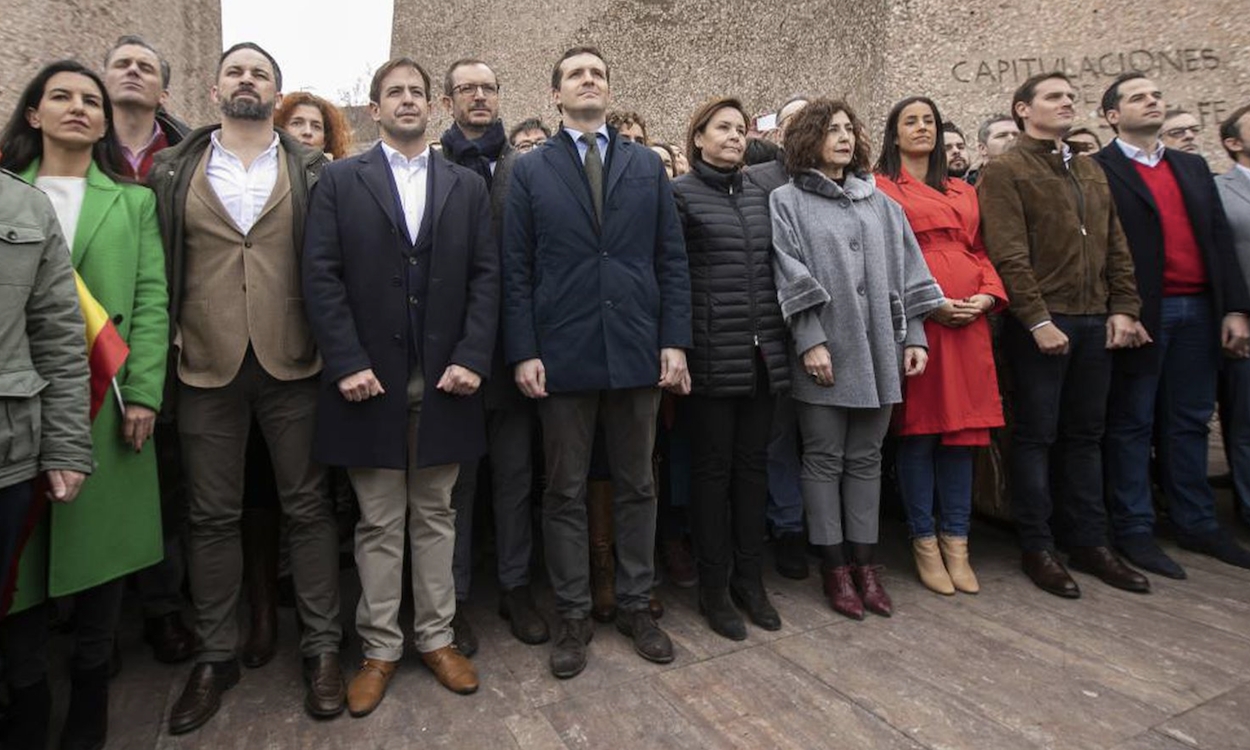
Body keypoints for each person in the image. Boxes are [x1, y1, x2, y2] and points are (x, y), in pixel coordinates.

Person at [146, 42, 344, 732]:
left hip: (295, 361)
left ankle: (321, 649)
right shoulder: (175, 171)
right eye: (236, 71)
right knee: (210, 517)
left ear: (276, 91)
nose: (247, 81)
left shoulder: (313, 169)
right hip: (204, 364)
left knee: (309, 508)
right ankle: (214, 655)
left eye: (260, 73)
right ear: (213, 88)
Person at [303, 56, 498, 716]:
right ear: (375, 106)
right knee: (380, 521)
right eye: (395, 92)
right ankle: (381, 649)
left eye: (417, 91)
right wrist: (347, 360)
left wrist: (473, 355)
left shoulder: (465, 185)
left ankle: (438, 639)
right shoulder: (339, 180)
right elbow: (321, 276)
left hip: (446, 379)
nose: (408, 100)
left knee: (437, 515)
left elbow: (486, 277)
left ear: (434, 105)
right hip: (369, 382)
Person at [502, 45, 691, 678]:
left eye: (599, 73)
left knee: (638, 482)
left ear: (609, 90)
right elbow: (517, 269)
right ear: (556, 94)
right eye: (577, 74)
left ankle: (637, 604)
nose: (590, 81)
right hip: (561, 353)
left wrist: (674, 339)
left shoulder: (643, 165)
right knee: (563, 489)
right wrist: (524, 349)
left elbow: (670, 259)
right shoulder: (529, 171)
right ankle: (573, 614)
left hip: (638, 348)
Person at [0, 59, 168, 749]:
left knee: (102, 555)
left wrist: (147, 393)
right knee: (21, 562)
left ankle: (92, 685)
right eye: (59, 96)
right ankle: (29, 691)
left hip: (109, 396)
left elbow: (152, 301)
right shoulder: (10, 196)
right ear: (31, 114)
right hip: (17, 401)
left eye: (90, 100)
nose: (78, 108)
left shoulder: (133, 201)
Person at [770, 98, 945, 620]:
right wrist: (810, 340)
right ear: (809, 138)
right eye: (831, 130)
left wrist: (914, 335)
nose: (844, 138)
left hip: (880, 349)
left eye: (849, 129)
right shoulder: (787, 200)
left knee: (867, 458)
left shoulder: (882, 204)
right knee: (824, 458)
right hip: (826, 349)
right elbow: (789, 272)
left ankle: (866, 567)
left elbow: (909, 271)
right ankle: (835, 569)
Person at [979, 71, 1148, 599]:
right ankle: (1038, 545)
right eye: (1055, 97)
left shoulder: (1091, 170)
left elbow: (1115, 245)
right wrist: (1036, 320)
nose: (1067, 103)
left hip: (1096, 320)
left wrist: (1125, 307)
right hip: (1041, 325)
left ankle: (1090, 543)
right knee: (1035, 437)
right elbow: (1008, 253)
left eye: (1072, 97)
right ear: (1023, 109)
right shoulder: (1006, 170)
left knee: (1086, 436)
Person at [1095, 75, 1250, 576]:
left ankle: (1197, 522)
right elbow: (1100, 247)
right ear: (1113, 116)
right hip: (1142, 314)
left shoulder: (1191, 165)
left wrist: (1234, 308)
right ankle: (1135, 527)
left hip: (1200, 310)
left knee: (1189, 421)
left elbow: (1218, 240)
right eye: (1138, 97)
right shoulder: (1100, 169)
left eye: (1156, 95)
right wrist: (1121, 307)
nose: (1153, 101)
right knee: (1133, 422)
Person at [437, 57, 548, 655]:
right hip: (452, 355)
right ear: (447, 100)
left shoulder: (526, 166)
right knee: (456, 487)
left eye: (488, 88)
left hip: (512, 351)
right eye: (466, 89)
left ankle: (514, 586)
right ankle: (451, 601)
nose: (478, 97)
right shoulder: (431, 165)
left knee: (514, 478)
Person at [874, 96, 1007, 596]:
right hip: (921, 324)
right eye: (910, 121)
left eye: (928, 120)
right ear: (894, 133)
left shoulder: (963, 190)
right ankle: (923, 540)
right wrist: (929, 302)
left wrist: (987, 296)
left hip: (969, 323)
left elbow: (978, 250)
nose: (921, 128)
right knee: (920, 434)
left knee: (963, 438)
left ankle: (958, 540)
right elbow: (887, 257)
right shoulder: (882, 186)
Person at [99, 32, 199, 667]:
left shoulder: (187, 156)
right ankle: (93, 621)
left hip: (170, 338)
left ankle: (162, 608)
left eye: (146, 68)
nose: (133, 74)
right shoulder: (73, 148)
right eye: (121, 65)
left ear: (164, 89)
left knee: (163, 481)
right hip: (87, 339)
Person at [672, 97, 789, 639]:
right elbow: (672, 278)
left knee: (753, 471)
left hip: (763, 357)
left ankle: (751, 580)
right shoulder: (679, 195)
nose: (735, 136)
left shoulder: (764, 194)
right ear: (698, 138)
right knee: (711, 474)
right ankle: (714, 589)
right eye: (722, 128)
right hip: (712, 358)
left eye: (741, 129)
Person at [1216, 104, 1250, 530]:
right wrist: (1235, 308)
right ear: (1232, 143)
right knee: (1245, 421)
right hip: (1245, 317)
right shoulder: (1219, 190)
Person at [103, 35, 191, 180]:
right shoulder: (83, 148)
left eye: (146, 68)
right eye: (122, 64)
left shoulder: (192, 154)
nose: (132, 70)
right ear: (104, 83)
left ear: (163, 95)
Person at [275, 91, 354, 159]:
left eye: (316, 127)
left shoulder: (339, 175)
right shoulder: (266, 172)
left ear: (325, 140)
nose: (307, 132)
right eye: (297, 123)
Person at [966, 114, 1018, 185]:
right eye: (1002, 135)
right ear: (983, 148)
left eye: (1017, 135)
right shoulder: (967, 189)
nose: (1012, 139)